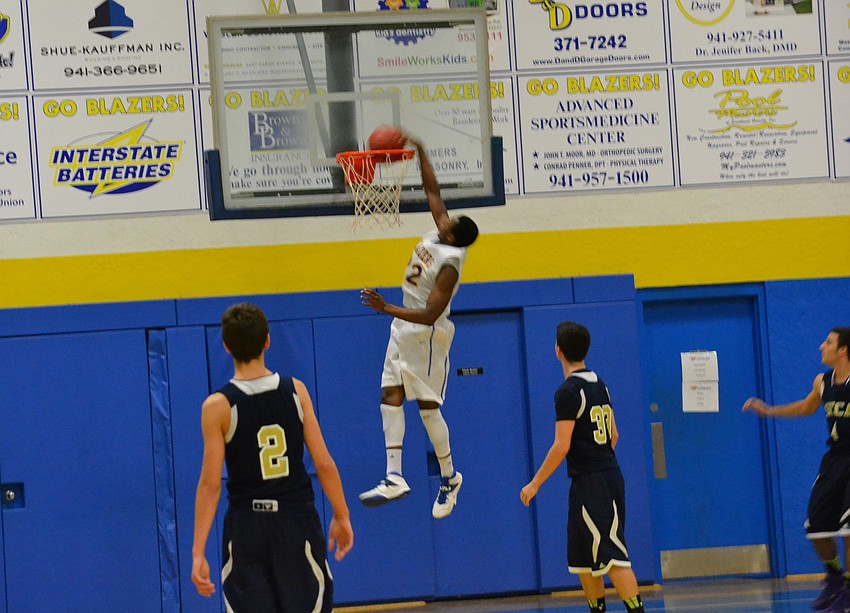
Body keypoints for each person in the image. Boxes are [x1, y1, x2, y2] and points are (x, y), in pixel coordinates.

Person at [192, 302, 354, 612]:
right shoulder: (296, 391)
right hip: (296, 521)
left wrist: (198, 553)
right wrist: (341, 514)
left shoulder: (217, 406)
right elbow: (323, 463)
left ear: (226, 347)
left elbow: (210, 485)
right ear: (267, 340)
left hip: (246, 528)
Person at [359, 134, 479, 519]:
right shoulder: (441, 231)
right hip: (401, 327)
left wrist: (385, 307)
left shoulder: (450, 265)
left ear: (455, 238)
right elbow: (433, 190)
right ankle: (394, 477)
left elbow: (430, 314)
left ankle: (450, 477)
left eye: (451, 224)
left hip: (427, 334)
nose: (445, 219)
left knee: (428, 408)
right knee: (389, 396)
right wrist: (422, 149)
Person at [520, 321, 645, 613]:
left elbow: (561, 446)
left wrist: (535, 483)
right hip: (597, 478)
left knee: (613, 556)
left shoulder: (568, 392)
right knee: (583, 561)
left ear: (558, 351)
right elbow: (614, 435)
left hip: (594, 482)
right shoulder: (600, 385)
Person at [743, 327, 850, 613]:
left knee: (849, 529)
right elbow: (805, 408)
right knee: (816, 527)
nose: (820, 346)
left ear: (843, 350)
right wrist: (769, 410)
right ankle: (836, 577)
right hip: (836, 458)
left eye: (828, 342)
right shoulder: (823, 382)